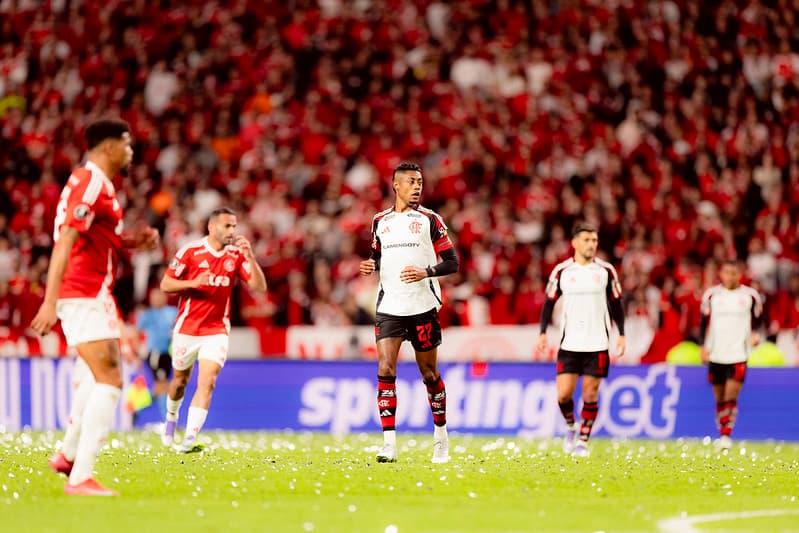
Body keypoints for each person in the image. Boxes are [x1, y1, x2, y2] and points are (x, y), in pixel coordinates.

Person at [30, 118, 159, 496]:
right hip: (84, 292)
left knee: (92, 373)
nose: (131, 151)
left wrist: (134, 242)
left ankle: (68, 454)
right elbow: (66, 240)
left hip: (87, 291)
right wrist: (50, 301)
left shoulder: (94, 183)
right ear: (108, 147)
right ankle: (80, 477)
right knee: (111, 380)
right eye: (127, 144)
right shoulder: (91, 184)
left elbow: (99, 239)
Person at [359, 161, 459, 464]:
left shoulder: (431, 219)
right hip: (389, 306)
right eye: (412, 182)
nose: (417, 187)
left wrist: (426, 272)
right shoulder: (380, 221)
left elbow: (452, 262)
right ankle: (389, 444)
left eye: (420, 183)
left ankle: (440, 437)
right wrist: (371, 265)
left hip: (422, 307)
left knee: (429, 374)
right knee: (386, 368)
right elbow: (378, 255)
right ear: (396, 185)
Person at [160, 207, 266, 453]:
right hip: (187, 328)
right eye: (227, 226)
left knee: (207, 382)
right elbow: (166, 283)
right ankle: (171, 419)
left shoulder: (236, 256)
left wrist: (250, 257)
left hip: (216, 330)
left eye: (234, 226)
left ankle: (189, 437)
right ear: (211, 227)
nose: (232, 231)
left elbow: (259, 288)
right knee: (179, 381)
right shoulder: (190, 251)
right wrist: (192, 283)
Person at [537, 222, 625, 457]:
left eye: (594, 240)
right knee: (563, 395)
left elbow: (616, 303)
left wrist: (622, 335)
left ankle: (583, 441)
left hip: (597, 343)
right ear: (574, 243)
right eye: (586, 240)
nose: (591, 245)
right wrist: (543, 332)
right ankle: (570, 426)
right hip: (570, 343)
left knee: (590, 394)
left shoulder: (606, 271)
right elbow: (548, 302)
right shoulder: (562, 271)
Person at [699, 259, 763, 450]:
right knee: (719, 398)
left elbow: (759, 319)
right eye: (726, 272)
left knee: (730, 395)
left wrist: (755, 334)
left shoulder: (750, 296)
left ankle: (726, 435)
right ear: (721, 273)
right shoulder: (711, 296)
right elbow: (703, 323)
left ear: (740, 274)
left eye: (734, 272)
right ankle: (723, 431)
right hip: (716, 353)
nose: (730, 276)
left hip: (739, 353)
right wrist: (703, 346)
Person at [136, 287, 178, 418]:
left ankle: (137, 405)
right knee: (162, 385)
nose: (157, 300)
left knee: (164, 387)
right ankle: (167, 419)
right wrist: (138, 354)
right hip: (155, 354)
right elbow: (136, 333)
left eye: (159, 296)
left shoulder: (173, 312)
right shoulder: (147, 315)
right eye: (154, 297)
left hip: (169, 354)